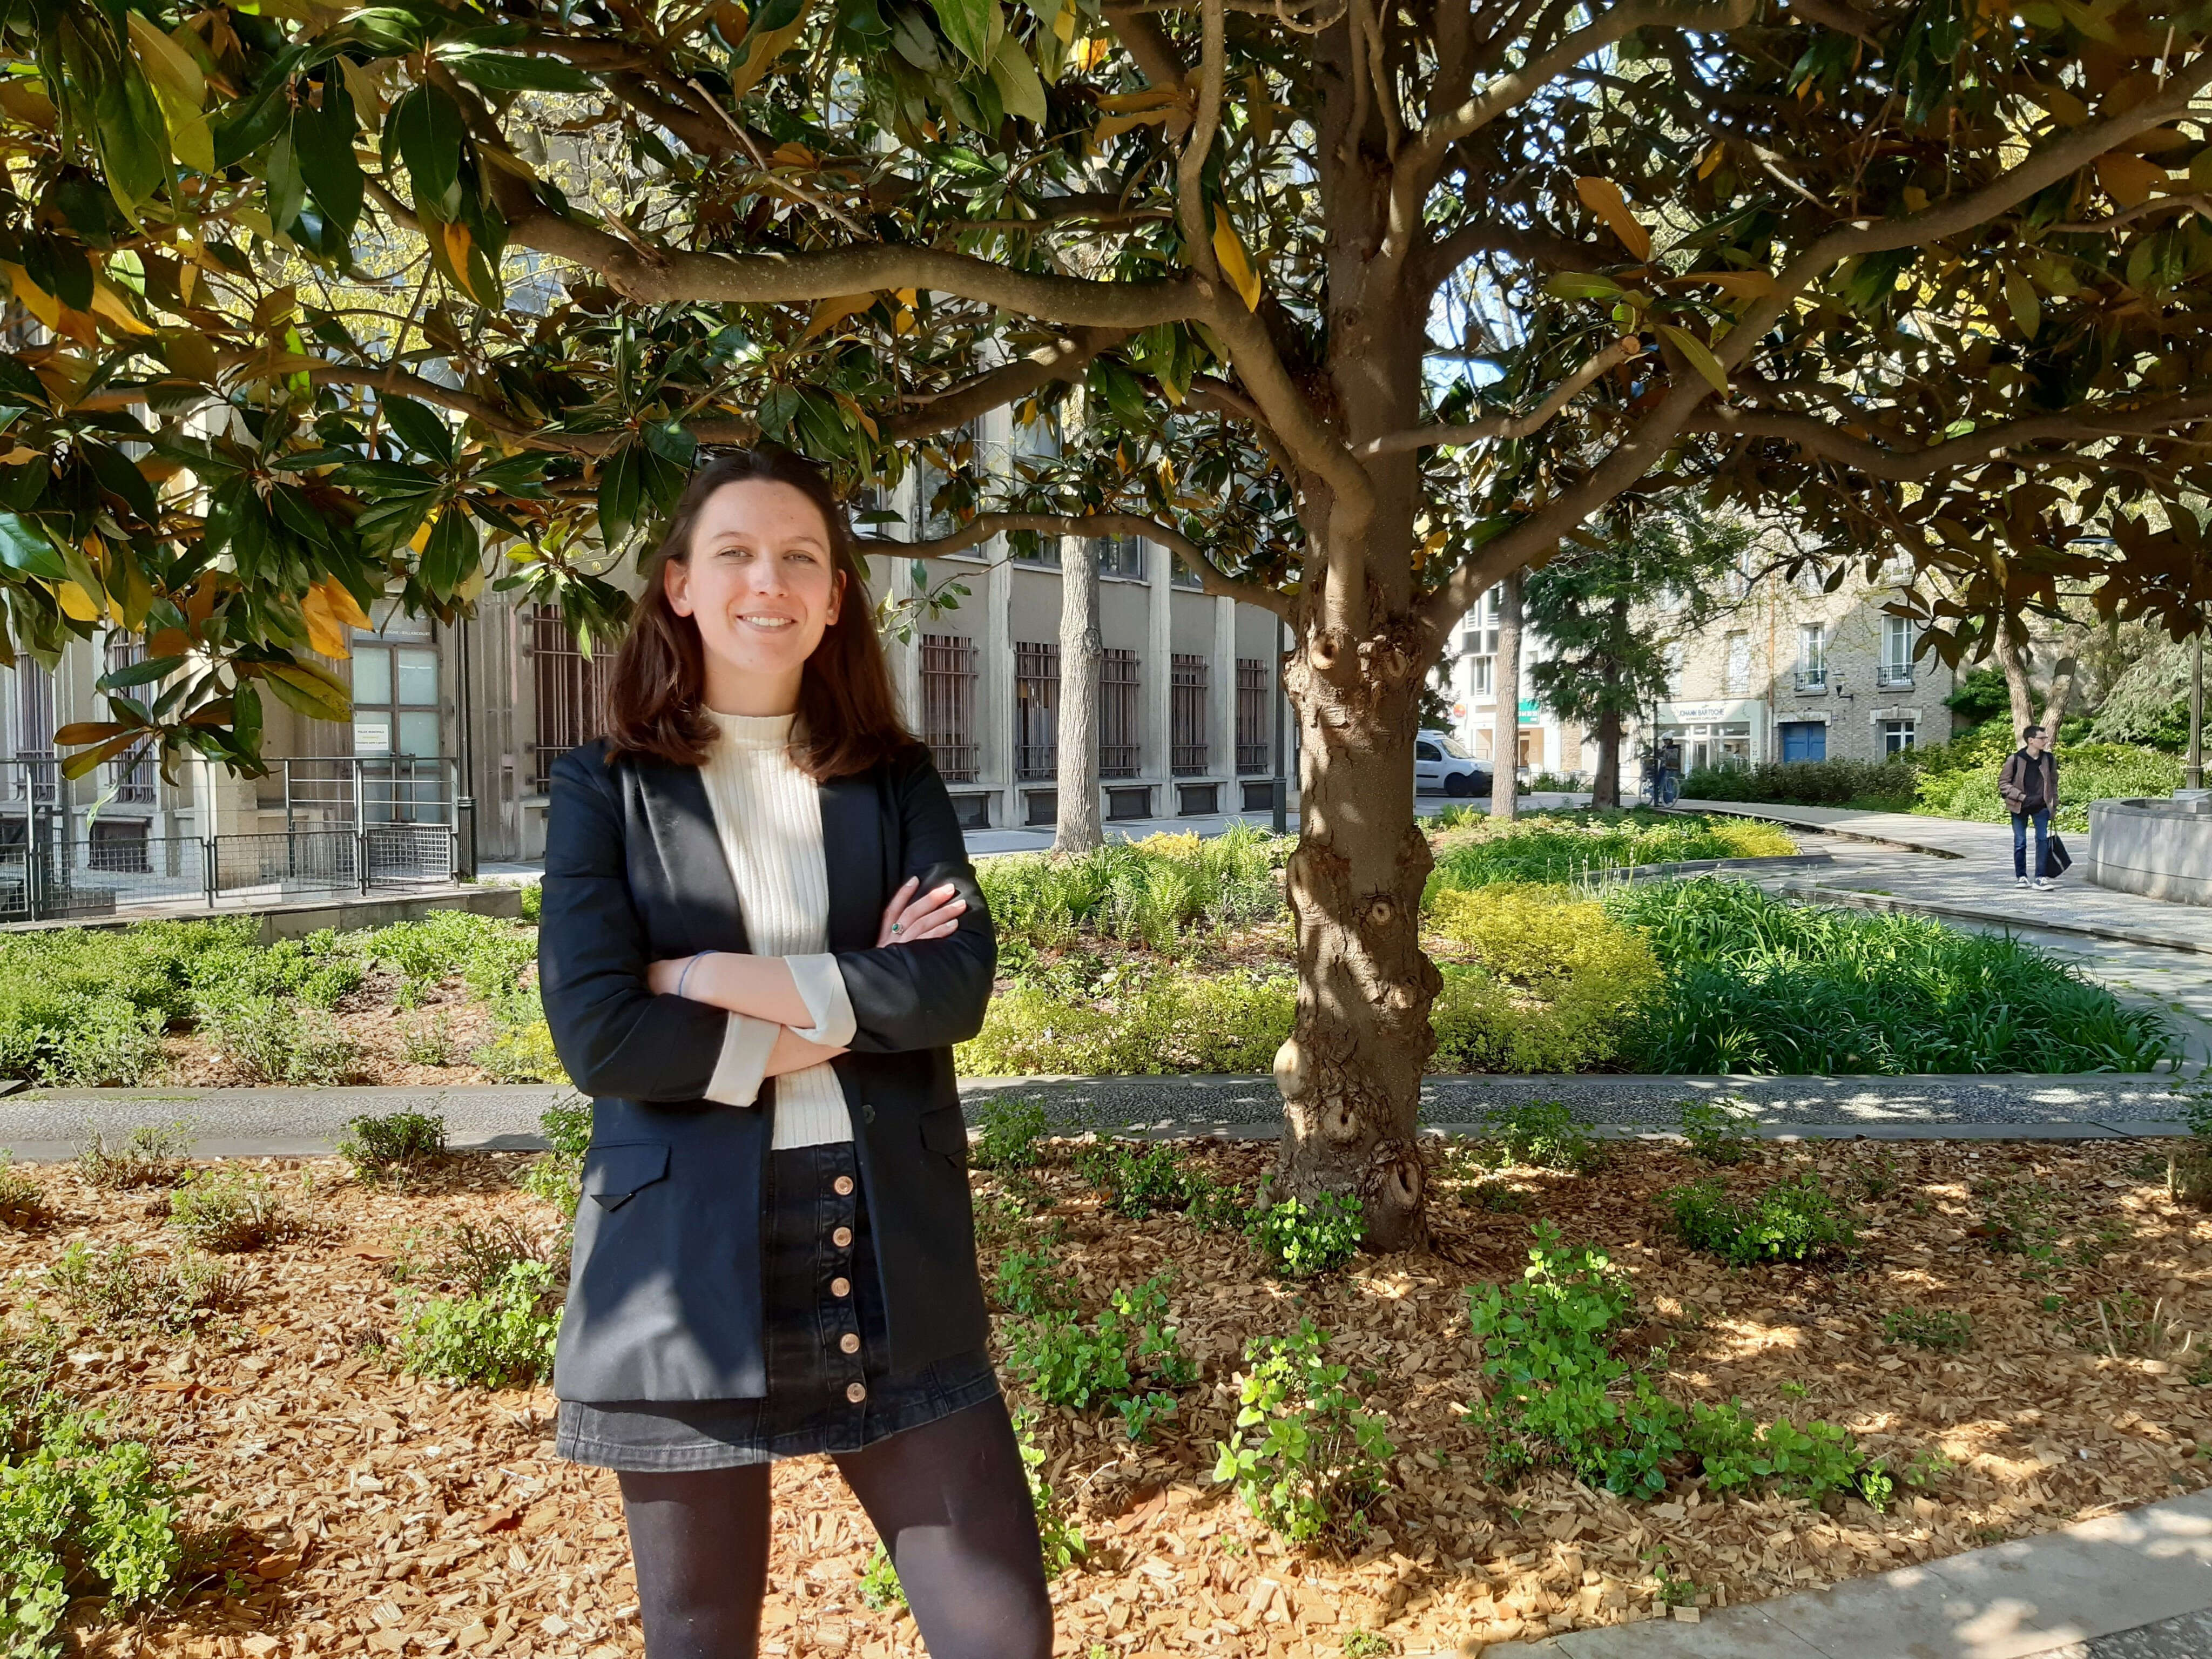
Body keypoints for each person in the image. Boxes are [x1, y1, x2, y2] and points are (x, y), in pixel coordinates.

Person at [535, 448, 1054, 1659]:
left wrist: (709, 983)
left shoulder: (894, 781)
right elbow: (602, 1032)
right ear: (678, 586)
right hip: (680, 1268)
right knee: (700, 1638)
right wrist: (848, 995)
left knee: (1002, 1634)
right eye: (734, 553)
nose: (766, 581)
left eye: (799, 558)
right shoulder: (601, 790)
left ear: (832, 599)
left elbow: (953, 983)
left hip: (887, 1239)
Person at [1999, 723, 2060, 891]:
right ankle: (2022, 877)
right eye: (2042, 738)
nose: (2045, 741)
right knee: (2021, 842)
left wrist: (2053, 804)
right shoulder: (2016, 759)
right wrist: (2021, 797)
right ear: (2031, 740)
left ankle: (2040, 878)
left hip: (2041, 807)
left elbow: (2054, 783)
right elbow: (2003, 784)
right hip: (2020, 807)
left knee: (2042, 841)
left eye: (2045, 738)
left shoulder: (2048, 759)